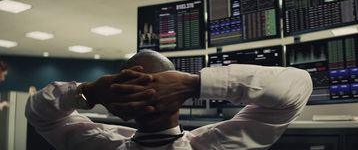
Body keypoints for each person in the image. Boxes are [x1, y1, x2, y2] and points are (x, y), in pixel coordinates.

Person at [25, 50, 313, 150]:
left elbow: (39, 112)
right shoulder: (219, 144)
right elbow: (296, 88)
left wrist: (89, 92)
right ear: (180, 98)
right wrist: (196, 84)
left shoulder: (97, 142)